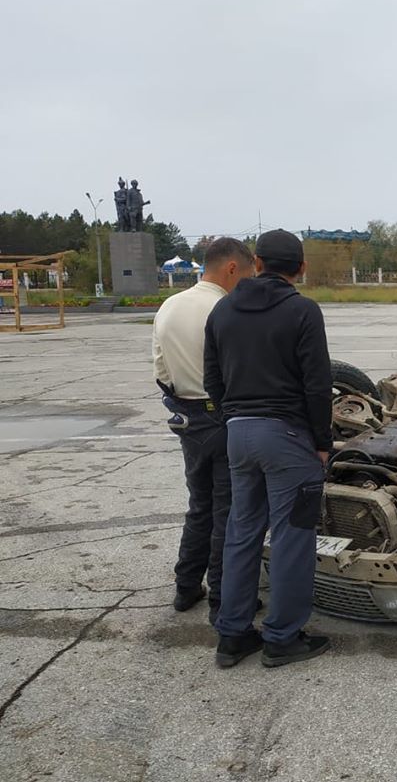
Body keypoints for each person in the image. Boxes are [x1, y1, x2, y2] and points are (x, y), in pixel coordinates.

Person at [204, 229, 333, 669]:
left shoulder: (222, 311)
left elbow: (212, 380)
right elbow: (318, 386)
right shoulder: (302, 311)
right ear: (301, 268)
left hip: (237, 436)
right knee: (292, 538)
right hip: (287, 439)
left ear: (256, 262)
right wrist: (321, 443)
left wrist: (232, 417)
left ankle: (232, 634)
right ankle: (282, 637)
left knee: (241, 533)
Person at [151, 237, 255, 621]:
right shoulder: (228, 309)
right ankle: (224, 600)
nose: (247, 282)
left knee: (199, 506)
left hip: (188, 420)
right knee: (228, 511)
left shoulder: (169, 306)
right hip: (225, 416)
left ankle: (186, 587)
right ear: (231, 268)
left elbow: (160, 368)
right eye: (246, 274)